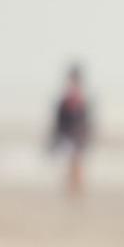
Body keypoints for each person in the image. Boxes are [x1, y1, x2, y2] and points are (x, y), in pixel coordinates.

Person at [47, 63, 94, 196]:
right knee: (71, 162)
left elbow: (86, 120)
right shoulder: (65, 101)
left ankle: (76, 188)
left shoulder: (82, 100)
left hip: (79, 137)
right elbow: (59, 121)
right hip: (68, 136)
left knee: (77, 163)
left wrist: (87, 134)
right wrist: (56, 136)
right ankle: (72, 188)